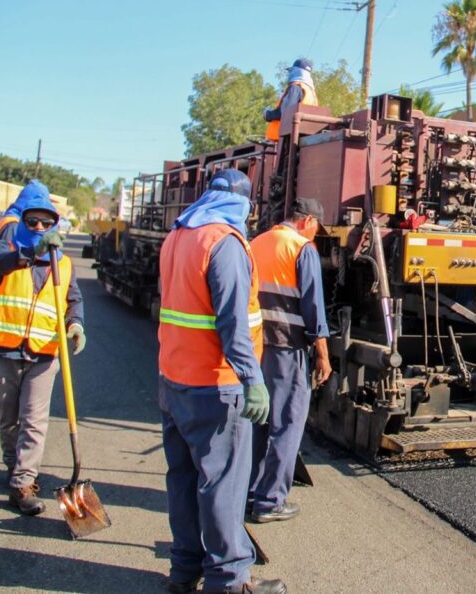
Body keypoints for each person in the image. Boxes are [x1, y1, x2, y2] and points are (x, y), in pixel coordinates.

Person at [157, 168, 286, 594]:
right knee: (222, 485)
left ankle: (184, 570)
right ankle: (230, 580)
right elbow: (233, 323)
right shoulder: (225, 243)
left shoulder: (178, 235)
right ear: (242, 203)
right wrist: (253, 379)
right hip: (216, 384)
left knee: (183, 479)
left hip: (174, 378)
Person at [0, 189, 85, 515]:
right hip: (3, 352)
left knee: (34, 421)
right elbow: (0, 263)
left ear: (55, 225)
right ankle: (14, 465)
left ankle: (23, 483)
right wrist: (31, 253)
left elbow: (73, 300)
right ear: (23, 222)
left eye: (46, 222)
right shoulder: (5, 250)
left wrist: (75, 324)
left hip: (43, 355)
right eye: (33, 221)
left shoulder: (64, 263)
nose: (40, 227)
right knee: (8, 420)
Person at [248, 197, 332, 524]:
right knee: (287, 422)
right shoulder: (301, 248)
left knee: (259, 420)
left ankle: (250, 493)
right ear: (307, 221)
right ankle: (270, 501)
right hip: (287, 348)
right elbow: (314, 307)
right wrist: (322, 354)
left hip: (257, 346)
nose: (315, 235)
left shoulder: (258, 242)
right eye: (315, 229)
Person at [0, 180, 49, 428]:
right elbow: (9, 261)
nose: (40, 225)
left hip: (2, 294)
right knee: (5, 363)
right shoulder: (14, 225)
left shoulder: (9, 219)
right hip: (9, 302)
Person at [263, 58, 318, 141]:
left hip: (285, 139)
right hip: (300, 136)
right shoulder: (311, 92)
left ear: (296, 71)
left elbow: (286, 113)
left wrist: (268, 115)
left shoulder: (295, 88)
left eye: (291, 71)